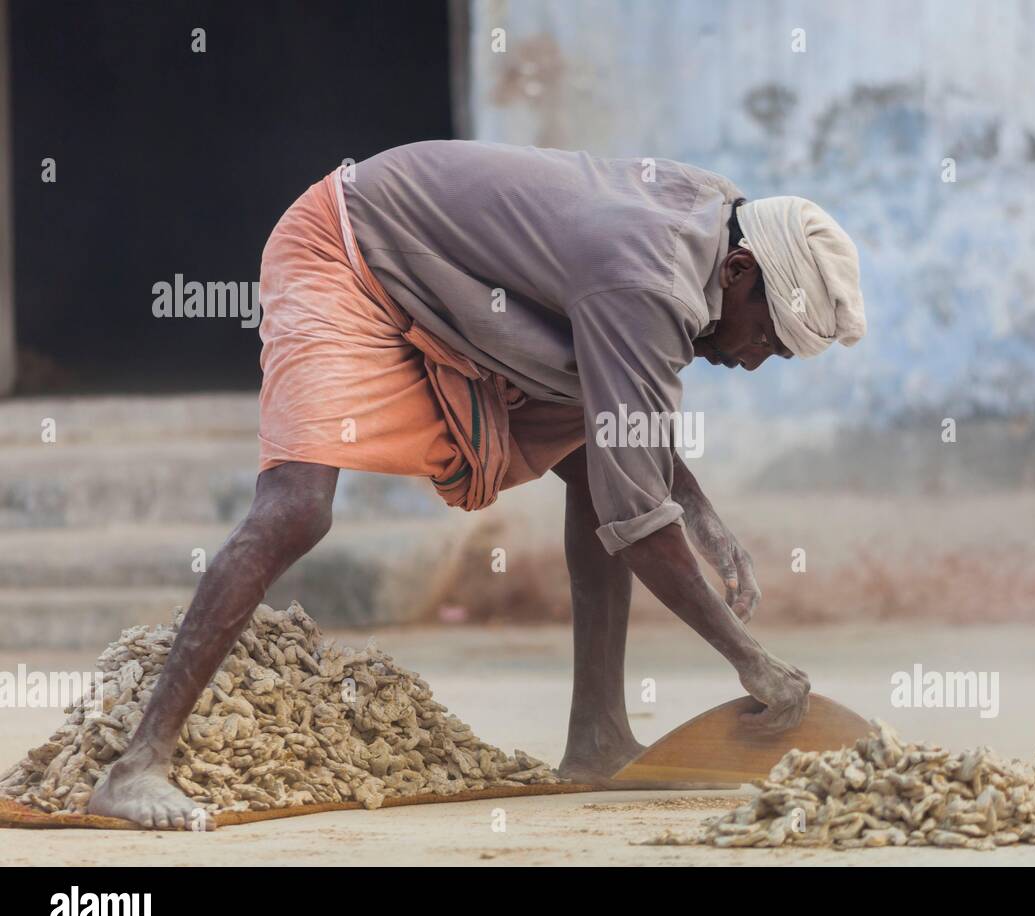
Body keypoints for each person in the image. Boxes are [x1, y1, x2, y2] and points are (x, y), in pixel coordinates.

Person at [87, 141, 866, 828]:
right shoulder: (651, 281)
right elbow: (638, 508)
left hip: (460, 293)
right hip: (350, 250)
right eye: (766, 337)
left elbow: (630, 430)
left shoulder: (721, 216)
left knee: (604, 465)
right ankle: (137, 765)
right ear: (738, 271)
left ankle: (597, 736)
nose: (756, 359)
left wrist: (705, 516)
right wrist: (751, 661)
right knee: (297, 508)